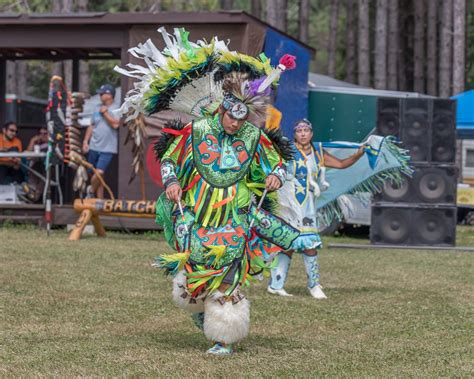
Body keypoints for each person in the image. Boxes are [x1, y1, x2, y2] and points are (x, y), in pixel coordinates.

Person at [116, 27, 313, 355]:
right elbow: (168, 160)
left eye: (241, 119)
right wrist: (173, 182)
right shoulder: (197, 130)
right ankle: (204, 319)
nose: (235, 124)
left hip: (233, 213)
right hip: (196, 213)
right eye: (230, 117)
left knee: (228, 273)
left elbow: (274, 161)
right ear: (220, 109)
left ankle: (224, 337)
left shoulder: (252, 135)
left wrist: (276, 175)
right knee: (192, 279)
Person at [268, 119, 365, 299]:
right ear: (295, 134)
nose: (303, 133)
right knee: (286, 244)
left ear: (311, 133)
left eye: (306, 130)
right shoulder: (286, 150)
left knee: (310, 245)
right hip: (288, 206)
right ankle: (276, 284)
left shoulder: (318, 152)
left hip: (307, 208)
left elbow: (342, 164)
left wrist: (359, 154)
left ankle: (314, 285)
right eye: (299, 130)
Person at [82, 84, 120, 198]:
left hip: (108, 148)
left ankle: (90, 191)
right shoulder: (96, 108)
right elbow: (91, 126)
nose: (100, 95)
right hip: (93, 146)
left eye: (102, 93)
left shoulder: (117, 108)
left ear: (109, 95)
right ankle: (99, 201)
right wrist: (85, 141)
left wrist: (105, 113)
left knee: (100, 172)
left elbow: (115, 125)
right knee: (96, 175)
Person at [20, 127, 49, 202]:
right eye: (40, 133)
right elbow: (28, 156)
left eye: (45, 133)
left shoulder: (52, 144)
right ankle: (32, 192)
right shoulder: (37, 144)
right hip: (36, 165)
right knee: (36, 166)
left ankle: (34, 195)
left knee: (46, 171)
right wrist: (32, 141)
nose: (42, 135)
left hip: (49, 167)